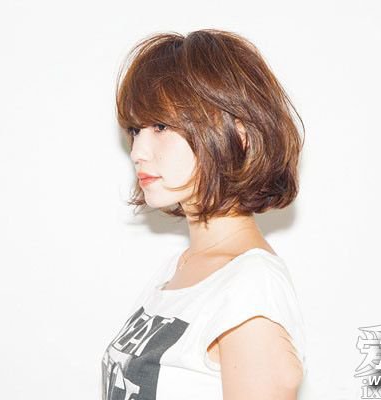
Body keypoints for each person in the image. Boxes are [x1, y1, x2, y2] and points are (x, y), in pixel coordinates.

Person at [102, 29, 307, 400]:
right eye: (135, 130)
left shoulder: (251, 287)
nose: (138, 152)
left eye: (160, 126)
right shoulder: (179, 268)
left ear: (238, 134)